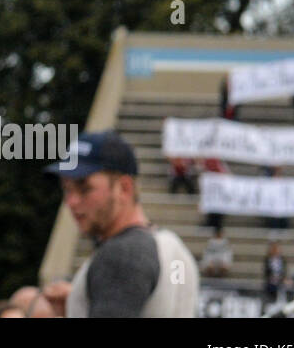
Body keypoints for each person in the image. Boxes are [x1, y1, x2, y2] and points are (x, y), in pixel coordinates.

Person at [46, 130, 199, 317]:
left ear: (124, 188)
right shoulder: (173, 247)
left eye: (84, 188)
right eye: (66, 190)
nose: (71, 202)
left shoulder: (120, 255)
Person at [263, 241, 287, 305]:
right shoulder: (268, 259)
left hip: (280, 282)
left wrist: (281, 278)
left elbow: (284, 271)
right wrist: (271, 278)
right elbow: (266, 271)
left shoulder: (282, 259)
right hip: (270, 283)